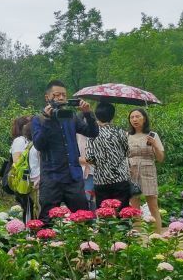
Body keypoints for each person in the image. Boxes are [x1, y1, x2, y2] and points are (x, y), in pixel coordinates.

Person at [31, 80, 98, 218]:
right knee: (46, 220)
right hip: (51, 178)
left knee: (84, 218)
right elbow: (39, 144)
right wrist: (48, 120)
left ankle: (86, 240)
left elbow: (92, 132)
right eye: (56, 95)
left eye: (64, 95)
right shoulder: (39, 119)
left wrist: (87, 114)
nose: (61, 98)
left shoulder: (71, 116)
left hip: (73, 177)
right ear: (47, 97)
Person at [127, 107, 165, 232]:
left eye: (137, 116)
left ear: (144, 118)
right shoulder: (127, 136)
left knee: (153, 205)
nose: (135, 119)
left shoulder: (153, 135)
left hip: (148, 170)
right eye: (132, 117)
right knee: (134, 207)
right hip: (131, 171)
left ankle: (157, 236)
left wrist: (154, 144)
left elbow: (160, 158)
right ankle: (137, 236)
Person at [85, 102, 131, 205]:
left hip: (101, 180)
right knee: (122, 214)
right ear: (112, 115)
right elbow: (128, 152)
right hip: (120, 178)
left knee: (104, 214)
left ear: (96, 115)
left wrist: (101, 163)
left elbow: (88, 157)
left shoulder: (92, 133)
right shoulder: (120, 131)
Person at [9, 116, 34, 221]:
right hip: (24, 180)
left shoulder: (27, 140)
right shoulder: (20, 141)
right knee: (28, 207)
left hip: (28, 179)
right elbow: (17, 161)